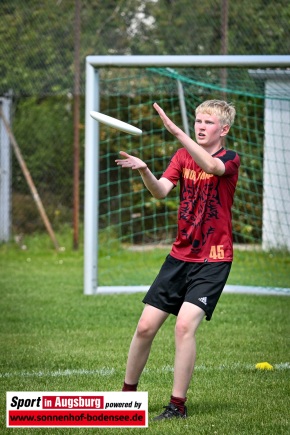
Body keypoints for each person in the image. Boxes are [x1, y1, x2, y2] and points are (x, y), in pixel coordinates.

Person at [115, 100, 240, 420]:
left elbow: (212, 168)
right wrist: (145, 170)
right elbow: (160, 191)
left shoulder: (230, 159)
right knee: (144, 327)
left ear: (223, 130)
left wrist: (175, 130)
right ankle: (127, 398)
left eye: (208, 122)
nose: (200, 126)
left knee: (184, 326)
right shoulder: (183, 156)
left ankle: (177, 406)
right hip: (179, 256)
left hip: (213, 260)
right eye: (197, 120)